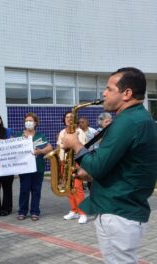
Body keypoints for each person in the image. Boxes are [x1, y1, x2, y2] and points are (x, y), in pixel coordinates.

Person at [62, 67, 157, 264]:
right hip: (124, 211)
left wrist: (76, 145)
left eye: (108, 88)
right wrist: (90, 175)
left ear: (127, 93)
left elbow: (97, 165)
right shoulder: (138, 118)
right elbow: (125, 166)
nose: (104, 93)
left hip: (118, 212)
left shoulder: (128, 121)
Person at [17, 113, 52, 221]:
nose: (28, 122)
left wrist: (40, 151)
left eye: (30, 120)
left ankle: (35, 211)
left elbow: (50, 147)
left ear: (35, 123)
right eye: (26, 120)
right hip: (25, 168)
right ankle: (22, 211)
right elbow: (11, 146)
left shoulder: (40, 135)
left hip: (38, 167)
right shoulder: (20, 135)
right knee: (24, 189)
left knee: (36, 190)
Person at [57, 111, 88, 224]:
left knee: (77, 188)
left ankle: (83, 213)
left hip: (75, 163)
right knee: (68, 188)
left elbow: (82, 148)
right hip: (64, 162)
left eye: (71, 117)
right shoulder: (62, 132)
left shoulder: (79, 132)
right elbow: (59, 147)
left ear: (75, 119)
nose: (69, 118)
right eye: (67, 117)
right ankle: (74, 211)